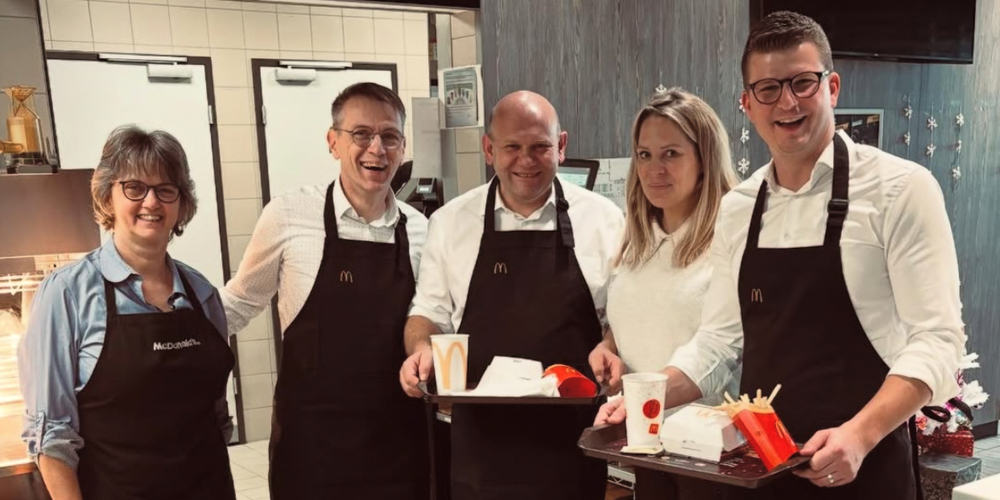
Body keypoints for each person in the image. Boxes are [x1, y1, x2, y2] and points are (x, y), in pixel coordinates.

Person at [597, 11, 965, 499]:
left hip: (864, 466)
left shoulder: (900, 189)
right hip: (759, 470)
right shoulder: (739, 208)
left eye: (803, 83)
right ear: (747, 104)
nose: (787, 102)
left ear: (832, 87)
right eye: (768, 88)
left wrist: (860, 434)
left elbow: (938, 341)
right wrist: (646, 397)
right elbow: (719, 341)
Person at [399, 90, 625, 500]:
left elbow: (620, 318)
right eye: (512, 147)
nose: (526, 160)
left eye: (540, 147)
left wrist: (611, 345)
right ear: (489, 149)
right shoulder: (451, 222)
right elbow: (429, 312)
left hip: (572, 441)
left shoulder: (604, 220)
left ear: (561, 146)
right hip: (483, 447)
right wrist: (420, 348)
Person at [222, 82, 430, 499]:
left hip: (400, 446)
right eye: (361, 134)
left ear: (403, 147)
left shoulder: (422, 230)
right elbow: (237, 304)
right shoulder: (288, 215)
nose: (377, 148)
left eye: (390, 136)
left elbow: (431, 320)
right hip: (311, 451)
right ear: (333, 142)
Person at [18, 126, 237, 500]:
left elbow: (215, 415)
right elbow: (51, 436)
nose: (152, 203)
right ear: (107, 197)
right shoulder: (68, 294)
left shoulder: (202, 293)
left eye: (166, 190)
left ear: (182, 204)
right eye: (135, 188)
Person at [587, 88, 739, 499]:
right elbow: (639, 317)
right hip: (649, 443)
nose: (654, 169)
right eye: (644, 155)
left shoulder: (731, 239)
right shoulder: (636, 240)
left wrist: (646, 396)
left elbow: (724, 346)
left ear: (704, 161)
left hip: (714, 453)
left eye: (671, 154)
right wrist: (609, 346)